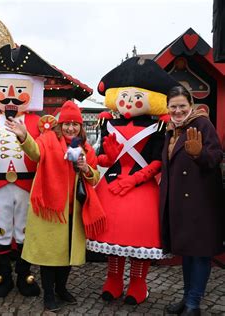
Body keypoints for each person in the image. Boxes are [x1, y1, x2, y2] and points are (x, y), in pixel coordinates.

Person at [0, 44, 64, 298]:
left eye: (19, 91)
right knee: (1, 227)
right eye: (5, 90)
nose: (11, 96)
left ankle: (25, 274)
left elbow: (46, 156)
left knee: (25, 229)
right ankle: (2, 275)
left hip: (28, 184)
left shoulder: (39, 123)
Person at [87, 57, 179, 305]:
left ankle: (138, 284)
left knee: (139, 240)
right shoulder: (108, 123)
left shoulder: (158, 127)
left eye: (136, 98)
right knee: (114, 240)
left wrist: (134, 179)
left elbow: (158, 161)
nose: (129, 103)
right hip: (112, 187)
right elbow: (105, 159)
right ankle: (113, 280)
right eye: (124, 97)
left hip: (141, 188)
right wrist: (106, 157)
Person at [0, 101, 105, 311]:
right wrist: (23, 135)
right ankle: (49, 294)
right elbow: (35, 152)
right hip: (50, 209)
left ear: (80, 126)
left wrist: (86, 168)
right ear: (60, 124)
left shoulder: (85, 147)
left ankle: (61, 289)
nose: (70, 128)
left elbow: (95, 178)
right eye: (66, 124)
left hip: (73, 211)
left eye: (75, 124)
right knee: (49, 256)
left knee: (67, 255)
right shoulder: (47, 139)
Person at [161, 86, 224, 316]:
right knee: (187, 252)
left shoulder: (202, 124)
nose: (178, 111)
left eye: (182, 106)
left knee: (199, 252)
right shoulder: (171, 129)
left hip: (201, 201)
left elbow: (216, 156)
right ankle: (187, 297)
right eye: (173, 106)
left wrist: (199, 155)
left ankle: (194, 304)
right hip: (179, 201)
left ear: (191, 106)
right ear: (168, 107)